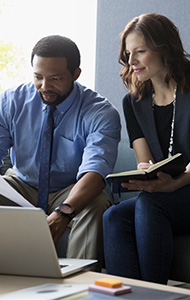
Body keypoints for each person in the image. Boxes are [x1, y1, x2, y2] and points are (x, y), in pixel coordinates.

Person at [103, 13, 190, 284]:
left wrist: (171, 185)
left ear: (164, 48)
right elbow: (144, 160)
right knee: (113, 215)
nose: (131, 61)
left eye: (140, 52)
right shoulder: (132, 102)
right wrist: (146, 174)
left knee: (151, 202)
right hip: (169, 194)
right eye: (128, 53)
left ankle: (155, 294)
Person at [0, 35, 121, 269]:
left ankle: (78, 285)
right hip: (22, 185)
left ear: (75, 74)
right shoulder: (11, 101)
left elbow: (95, 174)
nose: (44, 87)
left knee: (96, 205)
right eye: (38, 77)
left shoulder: (100, 112)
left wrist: (64, 212)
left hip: (70, 189)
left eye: (55, 78)